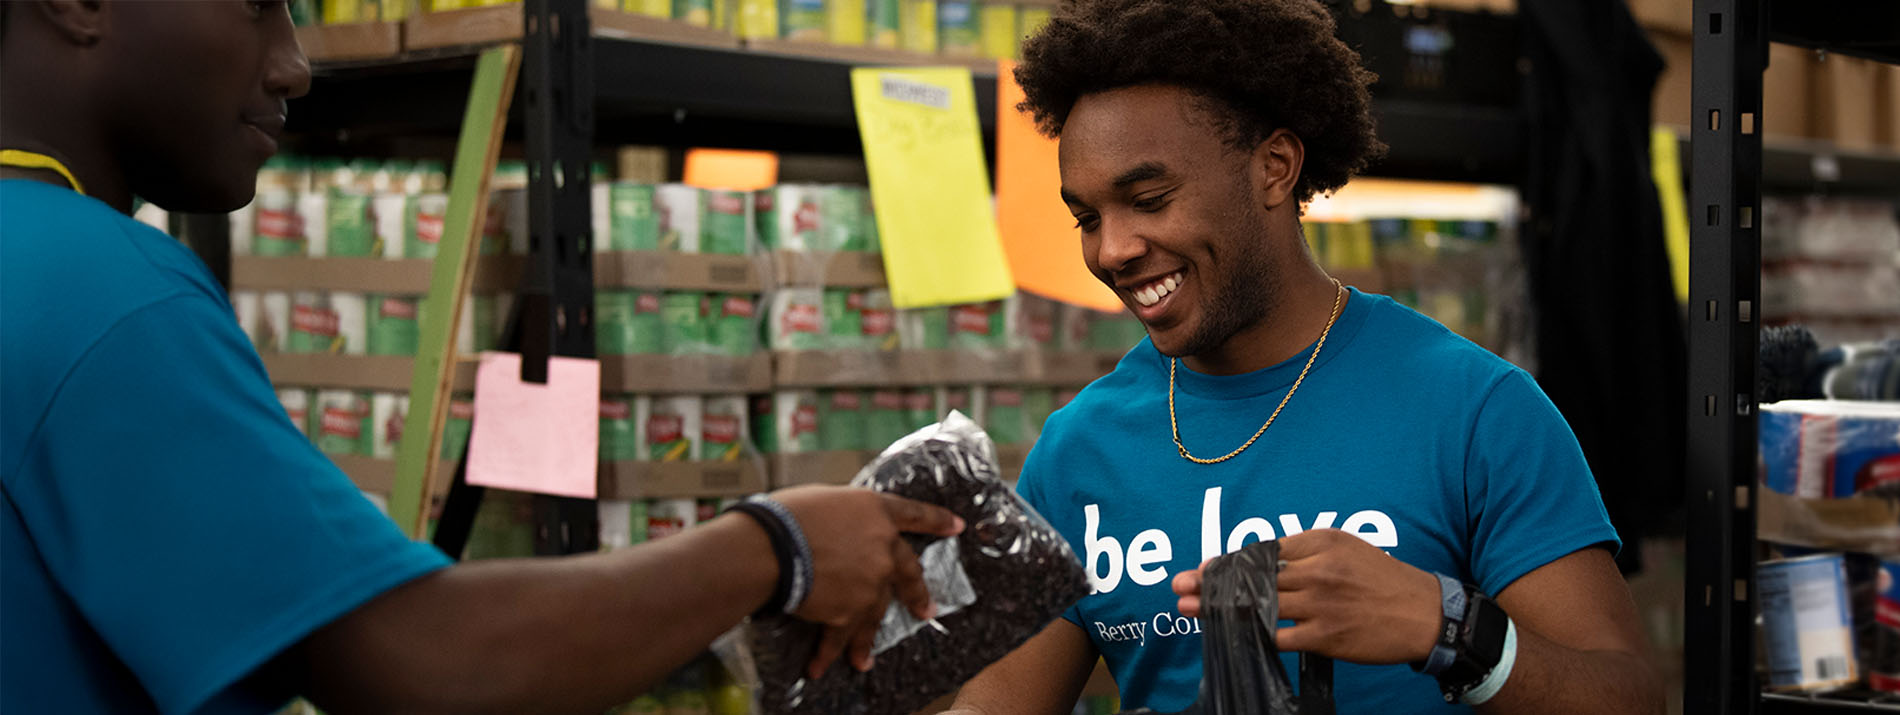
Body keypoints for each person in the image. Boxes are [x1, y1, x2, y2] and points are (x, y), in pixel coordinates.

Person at [0, 2, 962, 712]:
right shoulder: (99, 287)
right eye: (257, 8)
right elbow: (428, 662)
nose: (293, 64)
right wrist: (778, 544)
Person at [946, 0, 1663, 713]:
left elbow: (1630, 698)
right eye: (1088, 217)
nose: (1113, 249)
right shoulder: (1079, 451)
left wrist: (1445, 626)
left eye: (1151, 198)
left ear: (1275, 167)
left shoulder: (1474, 409)